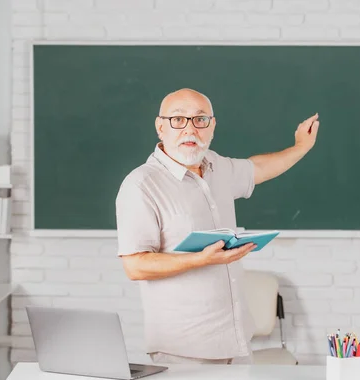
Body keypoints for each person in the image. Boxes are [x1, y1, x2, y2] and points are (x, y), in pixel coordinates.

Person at [115, 88, 319, 365]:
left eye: (200, 120)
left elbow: (257, 168)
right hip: (184, 350)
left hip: (237, 343)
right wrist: (201, 259)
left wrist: (300, 147)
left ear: (212, 126)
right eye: (178, 119)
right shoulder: (141, 185)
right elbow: (135, 265)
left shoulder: (216, 167)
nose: (190, 128)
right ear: (160, 127)